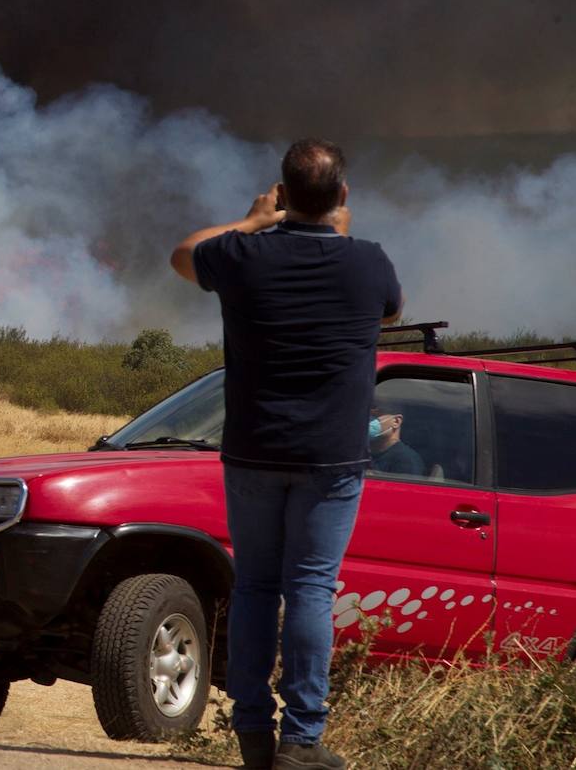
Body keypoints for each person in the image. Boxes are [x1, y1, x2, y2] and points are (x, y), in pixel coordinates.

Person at [170, 139, 402, 770]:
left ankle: (252, 733)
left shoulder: (242, 254)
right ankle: (302, 740)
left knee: (254, 588)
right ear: (343, 197)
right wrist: (343, 236)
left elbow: (182, 254)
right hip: (331, 457)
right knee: (309, 588)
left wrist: (251, 222)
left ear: (280, 194)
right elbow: (390, 309)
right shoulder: (368, 262)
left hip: (251, 449)